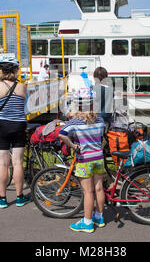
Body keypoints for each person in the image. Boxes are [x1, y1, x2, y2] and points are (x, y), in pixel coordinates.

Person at [0, 56, 30, 209]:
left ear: (1, 70)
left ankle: (2, 199)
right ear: (15, 70)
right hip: (19, 126)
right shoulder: (23, 87)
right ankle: (20, 197)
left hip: (2, 126)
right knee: (18, 163)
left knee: (3, 163)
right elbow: (27, 109)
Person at [58, 95, 106, 233]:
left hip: (84, 159)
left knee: (88, 191)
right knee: (99, 189)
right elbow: (102, 134)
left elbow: (61, 134)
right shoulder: (100, 119)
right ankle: (99, 217)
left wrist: (73, 145)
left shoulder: (76, 122)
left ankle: (87, 222)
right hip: (98, 157)